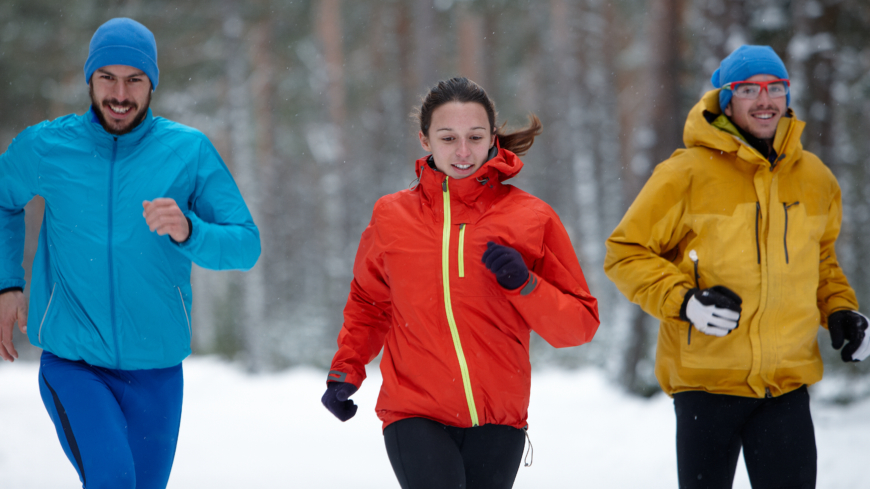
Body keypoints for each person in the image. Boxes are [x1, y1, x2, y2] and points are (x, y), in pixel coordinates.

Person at [0, 18, 260, 489]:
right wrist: (7, 283)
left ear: (152, 83)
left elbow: (245, 244)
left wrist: (189, 230)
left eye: (134, 80)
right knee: (114, 479)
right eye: (108, 78)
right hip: (74, 362)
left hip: (157, 371)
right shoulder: (48, 146)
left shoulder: (187, 151)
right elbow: (3, 198)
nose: (120, 94)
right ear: (90, 79)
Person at [604, 45, 869, 488]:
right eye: (748, 90)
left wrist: (840, 309)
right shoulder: (685, 173)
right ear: (727, 101)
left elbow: (822, 259)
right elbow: (625, 252)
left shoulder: (815, 177)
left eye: (775, 88)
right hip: (705, 387)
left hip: (785, 386)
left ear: (787, 95)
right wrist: (686, 302)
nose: (764, 100)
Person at [320, 77, 600, 489]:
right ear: (425, 140)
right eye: (448, 138)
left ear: (492, 139)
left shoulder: (531, 217)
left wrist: (525, 285)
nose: (463, 151)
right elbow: (370, 303)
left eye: (475, 137)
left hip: (498, 417)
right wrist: (346, 369)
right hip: (414, 410)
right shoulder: (391, 215)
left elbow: (579, 325)